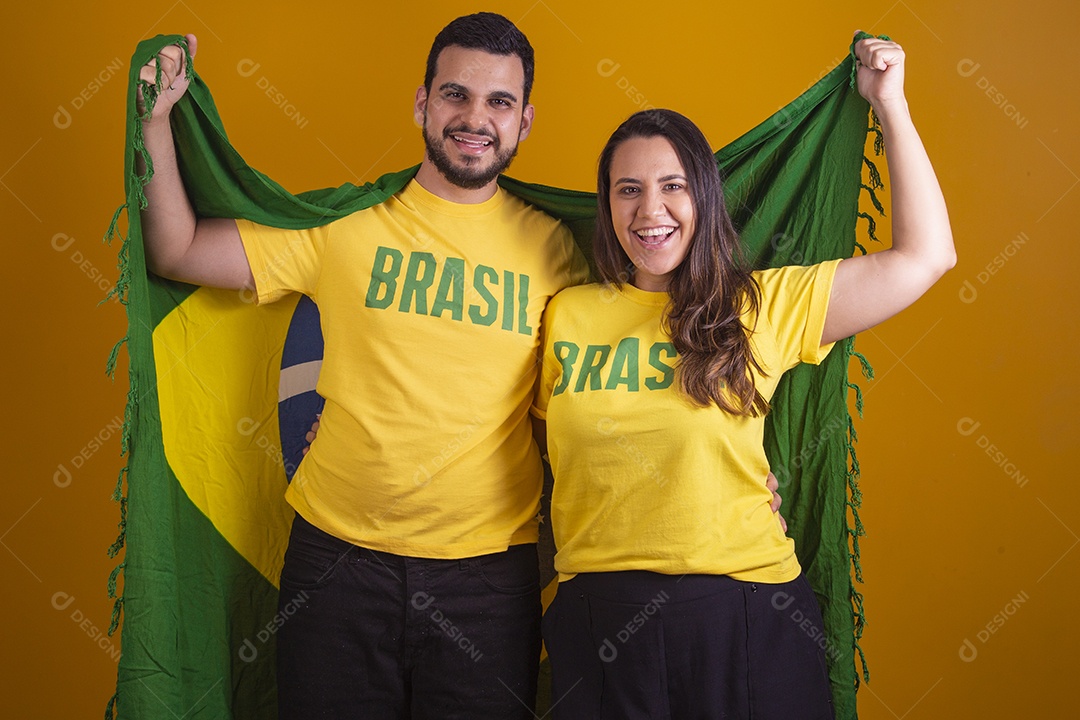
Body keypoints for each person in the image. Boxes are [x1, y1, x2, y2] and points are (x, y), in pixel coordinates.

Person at [138, 11, 786, 717]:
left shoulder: (561, 252)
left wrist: (734, 484)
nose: (475, 117)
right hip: (335, 564)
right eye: (456, 95)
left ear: (524, 121)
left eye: (499, 102)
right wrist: (156, 121)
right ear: (422, 103)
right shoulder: (343, 227)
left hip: (489, 582)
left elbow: (634, 363)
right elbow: (177, 251)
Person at [533, 37, 954, 719]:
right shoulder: (566, 315)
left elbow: (925, 257)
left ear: (703, 195)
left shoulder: (757, 305)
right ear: (606, 206)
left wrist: (890, 106)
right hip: (600, 619)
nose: (651, 212)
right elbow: (524, 456)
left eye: (673, 187)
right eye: (628, 190)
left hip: (744, 611)